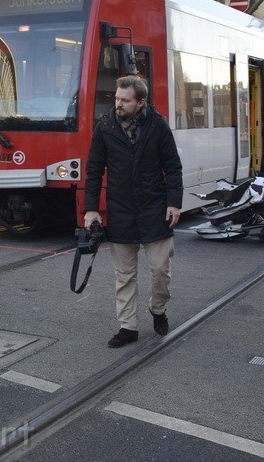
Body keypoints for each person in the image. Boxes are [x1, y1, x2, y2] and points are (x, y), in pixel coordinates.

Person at [84, 75, 183, 348]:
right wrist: (91, 209)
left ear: (141, 102)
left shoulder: (158, 127)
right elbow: (93, 171)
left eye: (125, 100)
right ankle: (128, 327)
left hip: (155, 209)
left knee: (161, 270)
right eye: (116, 99)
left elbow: (173, 168)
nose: (118, 104)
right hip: (121, 211)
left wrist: (174, 202)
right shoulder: (105, 129)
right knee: (124, 276)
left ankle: (158, 308)